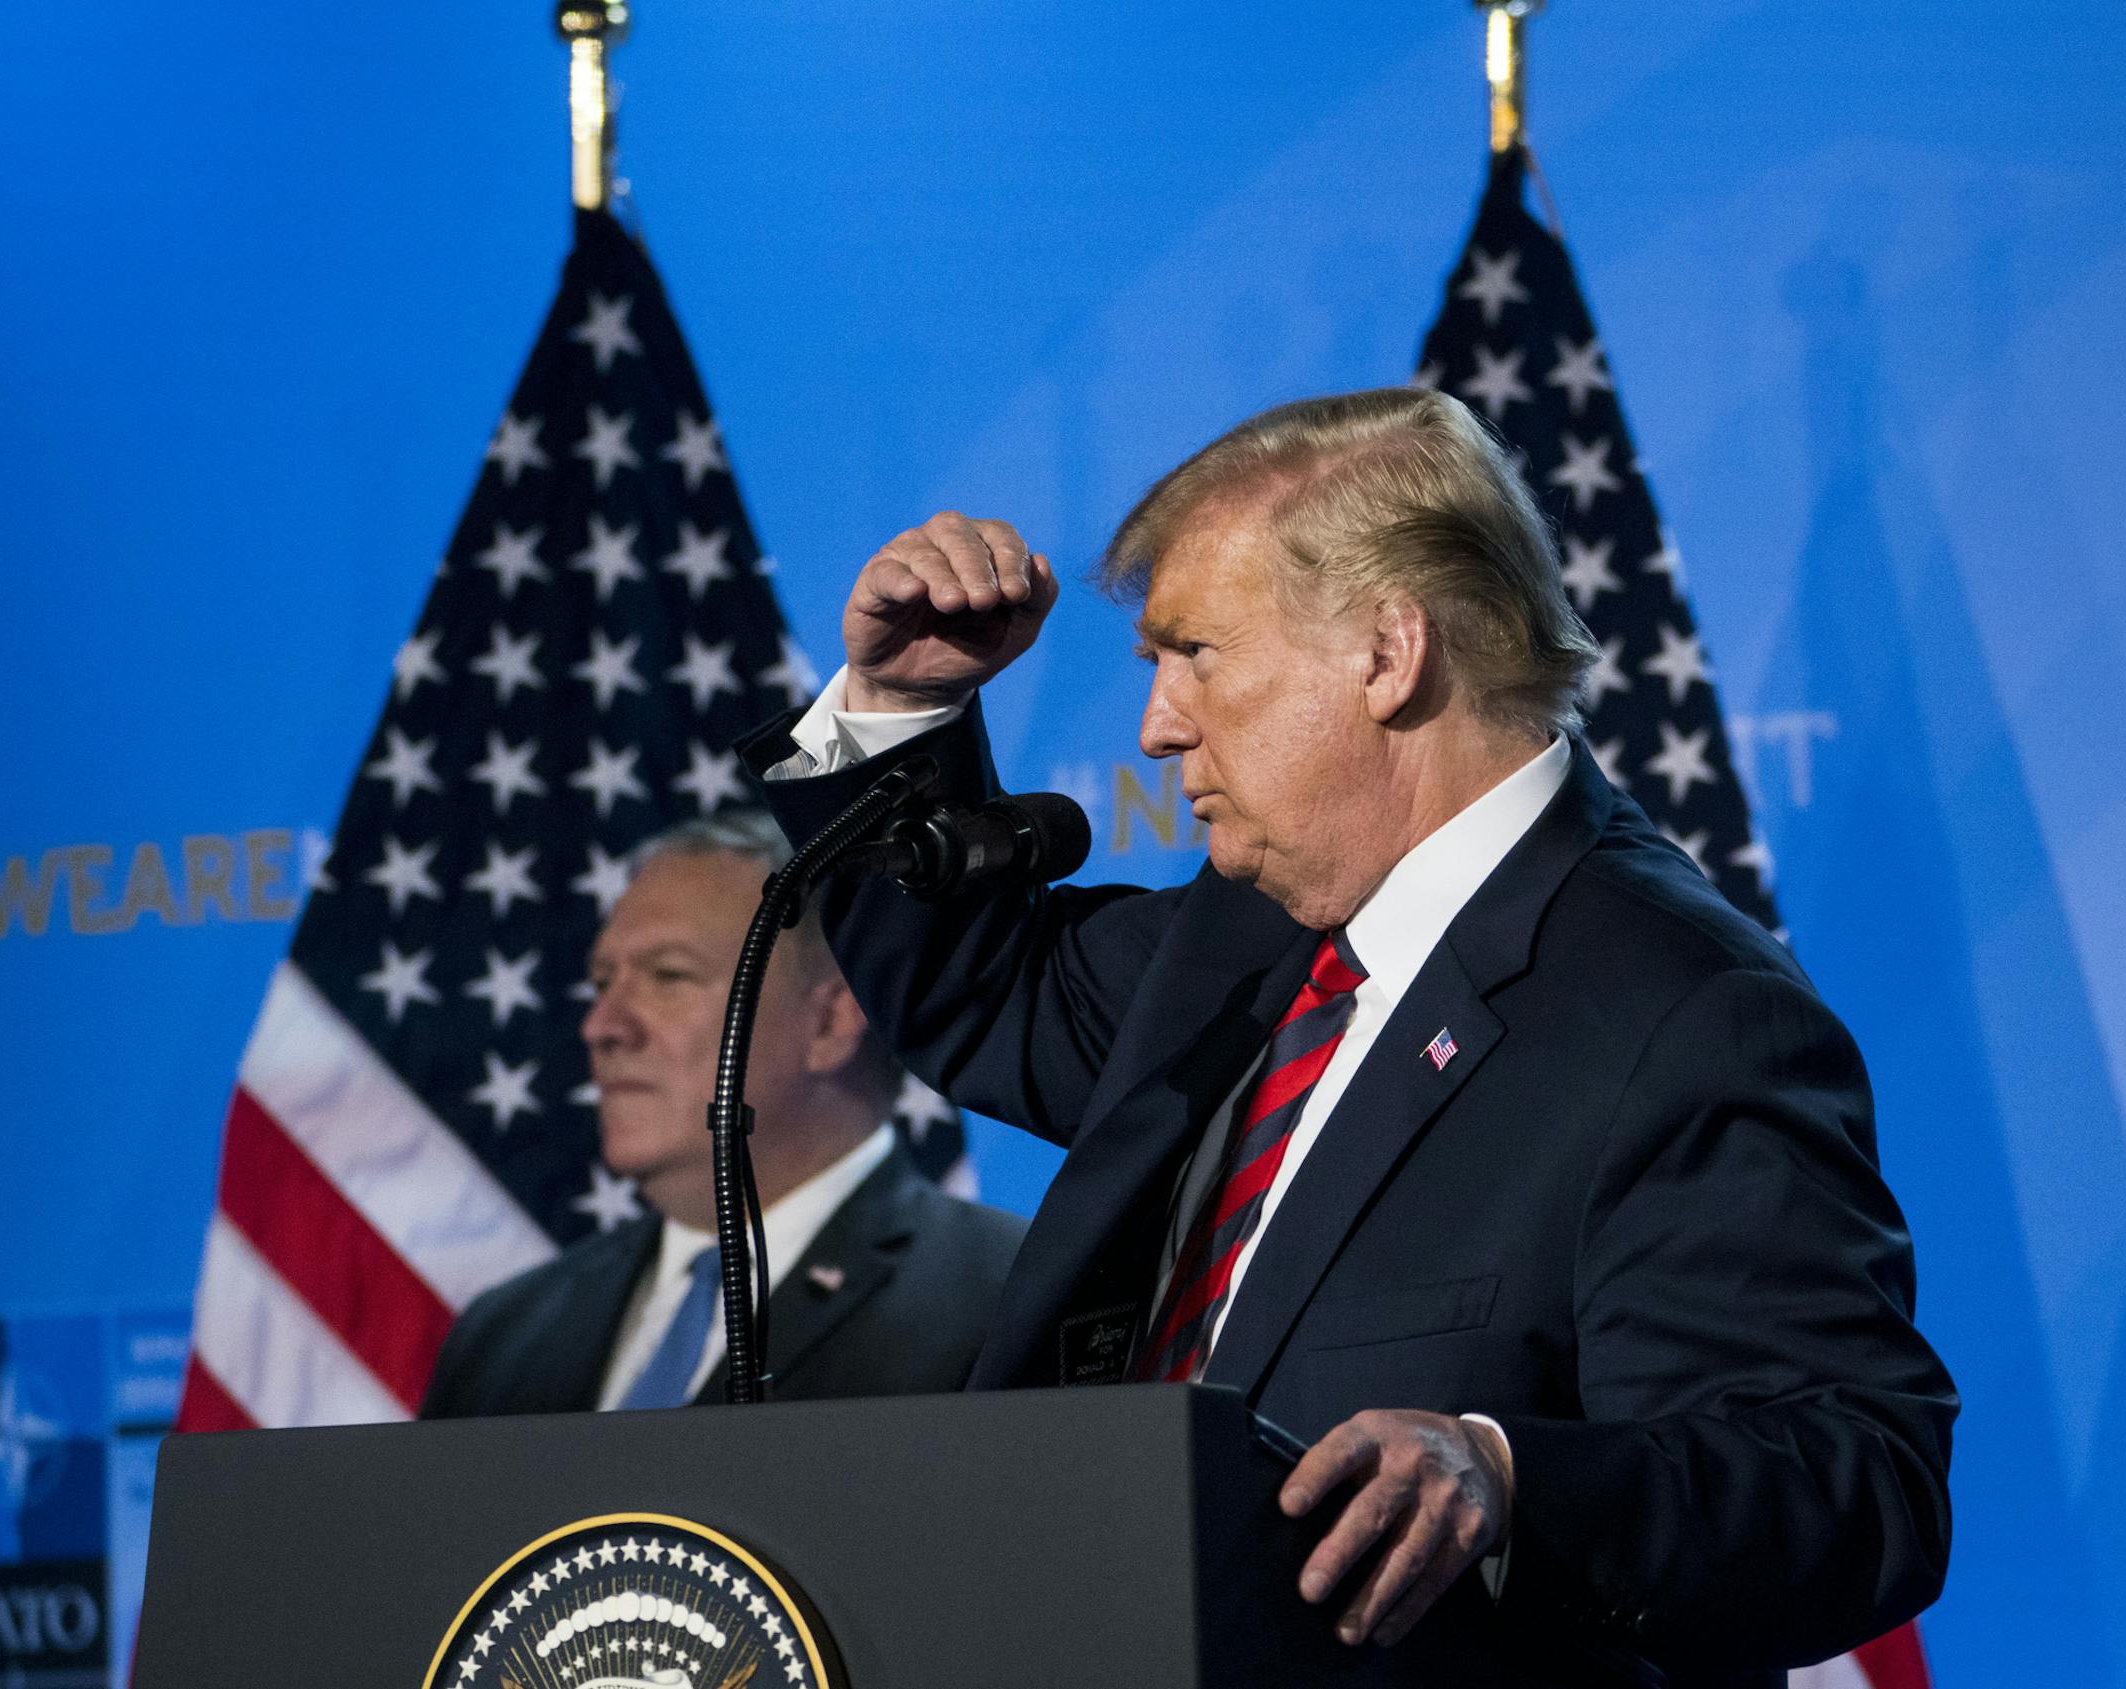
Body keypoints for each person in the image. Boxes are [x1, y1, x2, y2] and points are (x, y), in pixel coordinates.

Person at [743, 389, 1956, 1685]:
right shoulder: (1248, 932)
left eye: (1194, 652)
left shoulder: (1683, 1012)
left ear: (1387, 653)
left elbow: (1855, 1480)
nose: (1156, 724)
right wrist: (896, 705)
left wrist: (1501, 1474)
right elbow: (982, 989)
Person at [421, 812, 1027, 1418]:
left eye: (669, 976)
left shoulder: (1005, 1301)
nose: (602, 1026)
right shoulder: (504, 1335)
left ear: (830, 1023)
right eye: (603, 982)